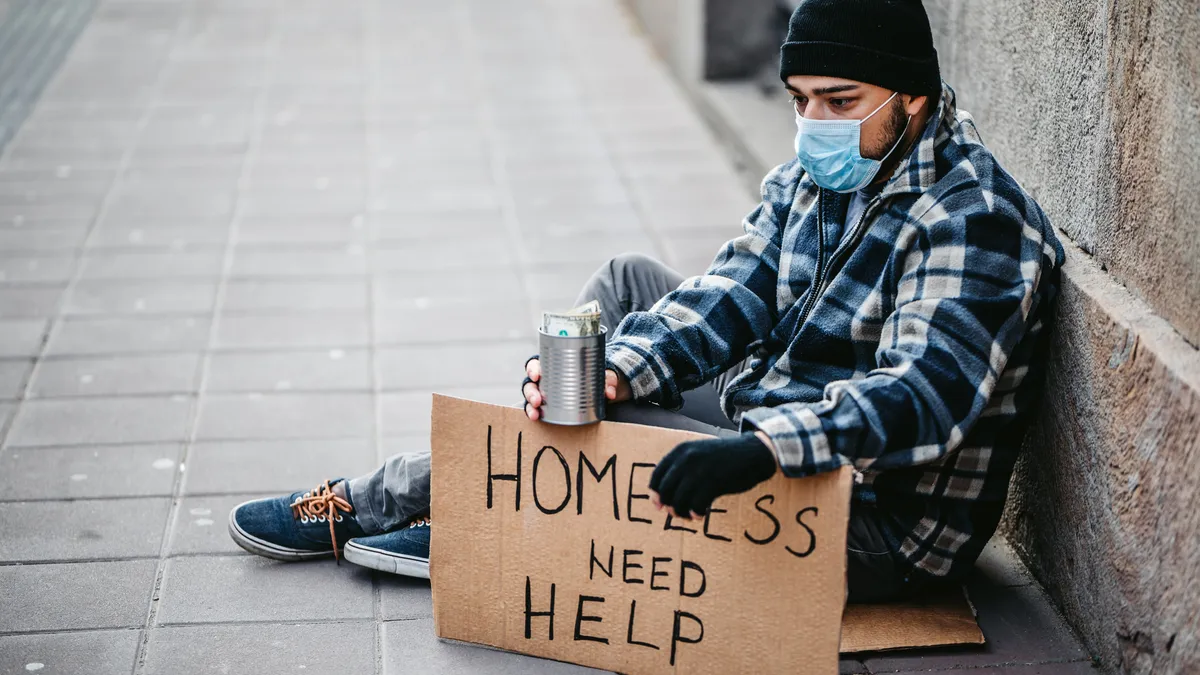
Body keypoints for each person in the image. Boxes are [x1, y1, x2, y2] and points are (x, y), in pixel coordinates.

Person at [229, 0, 1063, 603]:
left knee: (613, 433)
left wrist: (762, 449)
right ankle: (496, 494)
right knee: (624, 294)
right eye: (801, 99)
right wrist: (622, 370)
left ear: (910, 100)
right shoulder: (819, 173)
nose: (815, 124)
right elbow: (732, 291)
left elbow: (924, 395)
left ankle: (449, 508)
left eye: (839, 102)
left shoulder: (974, 220)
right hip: (775, 420)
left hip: (872, 517)